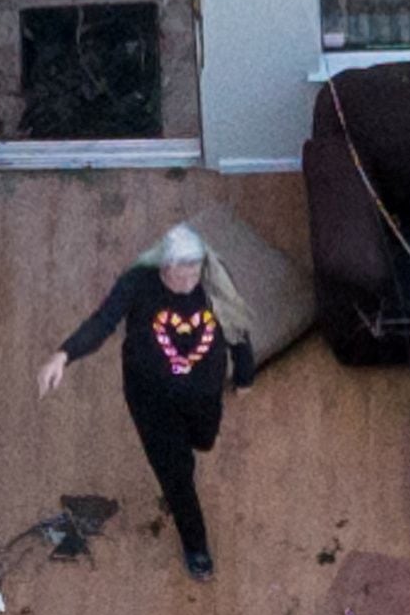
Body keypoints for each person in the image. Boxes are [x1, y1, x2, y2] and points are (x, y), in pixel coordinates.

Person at [39, 222, 256, 581]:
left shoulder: (213, 278)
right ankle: (196, 545)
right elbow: (103, 322)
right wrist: (64, 355)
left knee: (203, 441)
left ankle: (185, 463)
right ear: (163, 267)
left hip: (203, 392)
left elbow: (236, 324)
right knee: (177, 476)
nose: (188, 280)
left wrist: (244, 374)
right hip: (151, 399)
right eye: (180, 272)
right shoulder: (138, 282)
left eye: (194, 270)